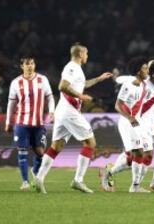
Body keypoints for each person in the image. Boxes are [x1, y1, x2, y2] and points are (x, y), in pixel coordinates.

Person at [34, 43, 112, 194]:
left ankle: (39, 178)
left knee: (56, 146)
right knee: (90, 143)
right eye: (86, 53)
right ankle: (78, 180)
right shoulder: (71, 67)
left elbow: (81, 85)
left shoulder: (77, 69)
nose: (87, 56)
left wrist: (99, 79)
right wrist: (80, 96)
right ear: (81, 54)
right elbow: (62, 86)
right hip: (69, 111)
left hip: (64, 110)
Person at [102, 59, 154, 192]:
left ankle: (143, 184)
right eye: (146, 69)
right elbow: (120, 100)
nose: (147, 72)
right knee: (137, 156)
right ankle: (114, 174)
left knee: (150, 153)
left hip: (145, 122)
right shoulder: (137, 83)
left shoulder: (153, 84)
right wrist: (115, 77)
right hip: (134, 122)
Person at [5, 57, 55, 191]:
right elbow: (11, 104)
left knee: (40, 152)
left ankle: (35, 172)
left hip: (38, 123)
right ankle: (25, 182)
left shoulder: (42, 79)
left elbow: (50, 97)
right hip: (22, 123)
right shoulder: (16, 83)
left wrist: (51, 111)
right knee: (22, 151)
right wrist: (8, 121)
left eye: (32, 63)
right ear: (22, 66)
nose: (30, 66)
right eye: (27, 64)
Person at [106, 56, 150, 193]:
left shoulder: (143, 83)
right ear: (138, 71)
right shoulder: (129, 85)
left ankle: (109, 172)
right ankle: (135, 187)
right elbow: (117, 105)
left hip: (137, 122)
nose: (147, 70)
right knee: (139, 152)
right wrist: (129, 117)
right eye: (145, 68)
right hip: (127, 122)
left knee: (140, 155)